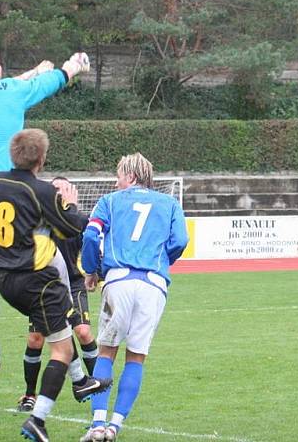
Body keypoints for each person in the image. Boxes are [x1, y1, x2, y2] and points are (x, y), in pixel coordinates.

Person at [0, 129, 111, 442]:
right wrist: (70, 205)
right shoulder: (42, 191)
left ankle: (80, 382)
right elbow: (74, 227)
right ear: (41, 160)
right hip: (39, 280)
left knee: (61, 333)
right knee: (61, 348)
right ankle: (38, 419)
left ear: (11, 155)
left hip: (5, 280)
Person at [0, 45, 90, 376]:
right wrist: (73, 66)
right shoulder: (14, 92)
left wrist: (32, 69)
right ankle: (67, 314)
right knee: (45, 252)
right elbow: (56, 81)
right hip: (8, 188)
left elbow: (0, 85)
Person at [80, 153, 189, 442]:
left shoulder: (110, 202)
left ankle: (97, 425)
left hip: (118, 280)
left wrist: (92, 270)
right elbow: (181, 241)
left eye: (118, 176)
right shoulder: (170, 203)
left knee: (106, 352)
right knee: (136, 358)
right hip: (154, 286)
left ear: (130, 176)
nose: (116, 182)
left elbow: (91, 237)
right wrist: (162, 262)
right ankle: (114, 427)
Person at [16, 176, 101, 413]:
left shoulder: (78, 218)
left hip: (73, 283)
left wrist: (97, 274)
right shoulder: (43, 216)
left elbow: (86, 235)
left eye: (63, 189)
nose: (59, 193)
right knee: (35, 340)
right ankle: (29, 395)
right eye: (55, 189)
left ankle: (98, 385)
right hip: (44, 286)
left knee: (83, 332)